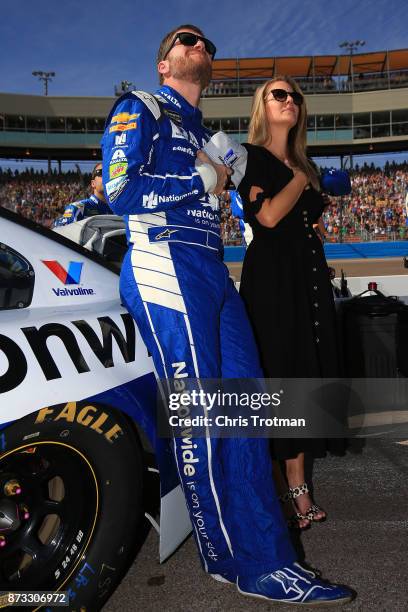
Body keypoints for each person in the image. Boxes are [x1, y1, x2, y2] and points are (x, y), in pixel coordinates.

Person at [101, 26, 352, 606]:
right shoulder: (139, 106)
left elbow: (254, 213)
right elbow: (119, 189)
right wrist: (201, 177)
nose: (201, 49)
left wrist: (239, 180)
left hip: (212, 269)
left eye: (208, 47)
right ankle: (260, 563)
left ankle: (233, 558)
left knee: (244, 409)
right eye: (188, 42)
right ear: (164, 62)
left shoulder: (212, 135)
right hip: (164, 260)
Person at [238, 77, 342, 529]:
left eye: (295, 96)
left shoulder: (304, 161)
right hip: (272, 284)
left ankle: (299, 490)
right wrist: (300, 179)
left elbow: (300, 220)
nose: (290, 101)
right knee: (278, 379)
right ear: (262, 105)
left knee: (301, 376)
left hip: (306, 279)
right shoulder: (250, 157)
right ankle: (278, 490)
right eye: (279, 94)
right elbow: (267, 216)